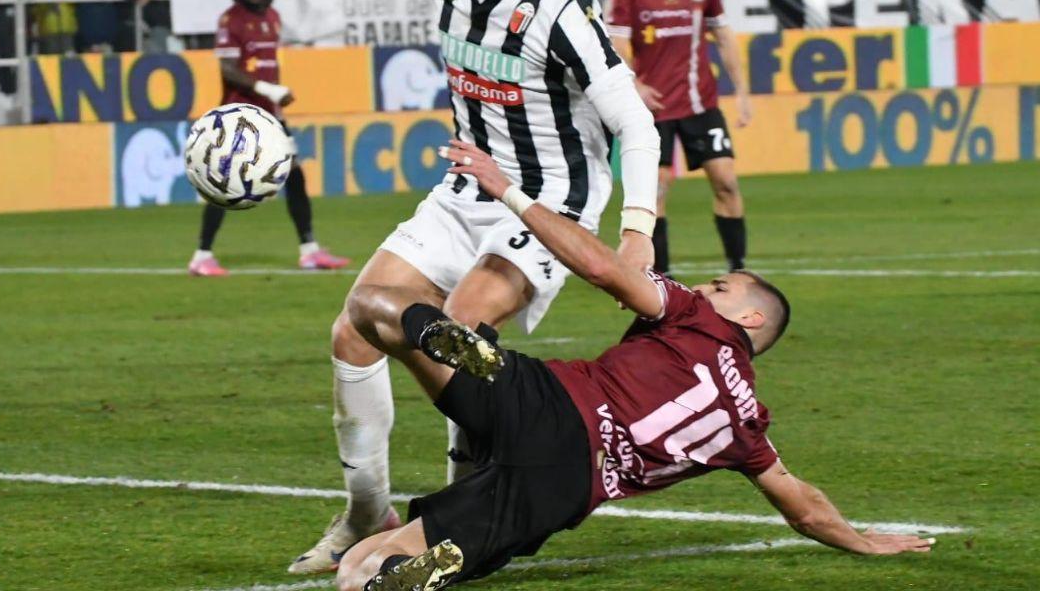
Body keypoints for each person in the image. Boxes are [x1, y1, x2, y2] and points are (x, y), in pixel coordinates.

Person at [333, 139, 937, 590]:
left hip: (544, 401)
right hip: (565, 487)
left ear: (749, 320)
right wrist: (860, 541)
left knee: (374, 305)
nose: (707, 285)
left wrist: (511, 193)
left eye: (723, 285)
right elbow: (799, 503)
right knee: (363, 574)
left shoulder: (697, 315)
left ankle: (460, 345)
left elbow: (603, 270)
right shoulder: (748, 423)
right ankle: (428, 556)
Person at [288, 0, 660, 574]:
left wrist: (636, 230)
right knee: (353, 331)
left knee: (456, 331)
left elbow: (635, 123)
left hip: (550, 200)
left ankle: (469, 509)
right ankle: (368, 510)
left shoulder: (562, 7)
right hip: (463, 192)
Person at [609, 0, 752, 276]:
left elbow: (723, 35)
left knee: (726, 183)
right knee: (656, 194)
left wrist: (742, 93)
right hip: (653, 109)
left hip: (700, 103)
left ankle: (738, 270)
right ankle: (662, 279)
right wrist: (635, 84)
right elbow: (617, 43)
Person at [188, 0, 350, 277]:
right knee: (224, 183)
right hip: (241, 115)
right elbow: (226, 69)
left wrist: (273, 98)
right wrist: (269, 89)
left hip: (270, 116)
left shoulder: (272, 18)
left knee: (296, 177)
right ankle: (201, 255)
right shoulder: (231, 19)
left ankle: (310, 250)